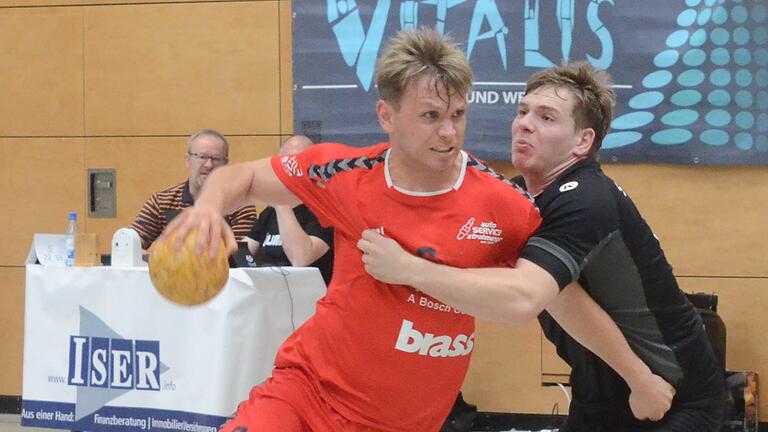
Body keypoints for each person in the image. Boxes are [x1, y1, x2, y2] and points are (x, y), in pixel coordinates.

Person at [163, 30, 670, 432]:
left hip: (405, 421)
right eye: (430, 116)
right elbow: (245, 176)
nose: (448, 132)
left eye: (457, 114)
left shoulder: (502, 205)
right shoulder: (345, 175)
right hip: (307, 393)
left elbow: (554, 296)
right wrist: (209, 207)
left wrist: (637, 375)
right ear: (387, 115)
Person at [357, 61, 725, 431]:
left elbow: (523, 299)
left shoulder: (587, 200)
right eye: (522, 112)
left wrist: (407, 269)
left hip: (672, 393)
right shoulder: (519, 197)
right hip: (609, 388)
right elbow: (562, 298)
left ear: (583, 141)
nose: (525, 124)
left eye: (547, 118)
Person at [131, 129, 257, 250]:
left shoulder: (240, 203)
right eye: (202, 157)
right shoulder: (161, 201)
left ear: (225, 164)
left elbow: (238, 254)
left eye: (216, 158)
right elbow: (131, 243)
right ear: (188, 160)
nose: (208, 165)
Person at [247, 135, 334, 284]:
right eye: (287, 162)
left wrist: (281, 201)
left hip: (306, 298)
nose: (294, 168)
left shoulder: (325, 210)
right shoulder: (269, 212)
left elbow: (300, 258)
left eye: (302, 161)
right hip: (269, 293)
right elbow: (244, 250)